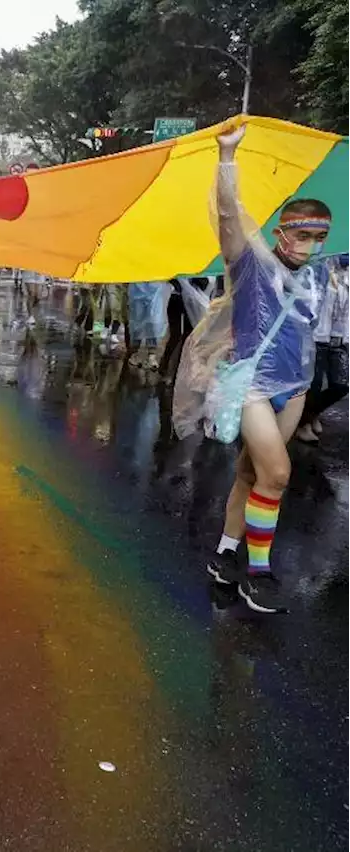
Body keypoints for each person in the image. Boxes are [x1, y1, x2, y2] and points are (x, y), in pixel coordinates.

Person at [179, 123, 329, 614]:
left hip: (296, 387)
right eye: (301, 234)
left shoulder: (320, 274)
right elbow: (227, 216)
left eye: (319, 236)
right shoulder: (251, 264)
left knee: (252, 472)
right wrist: (227, 159)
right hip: (251, 386)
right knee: (279, 474)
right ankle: (257, 574)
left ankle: (225, 555)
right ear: (282, 231)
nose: (308, 245)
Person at [295, 254, 350, 444]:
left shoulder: (346, 276)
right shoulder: (318, 270)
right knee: (314, 385)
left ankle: (310, 413)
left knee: (342, 384)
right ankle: (303, 424)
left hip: (340, 338)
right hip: (316, 337)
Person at [126, 280, 170, 371]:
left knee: (152, 322)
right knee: (137, 323)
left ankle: (151, 355)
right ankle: (135, 353)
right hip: (137, 288)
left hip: (155, 288)